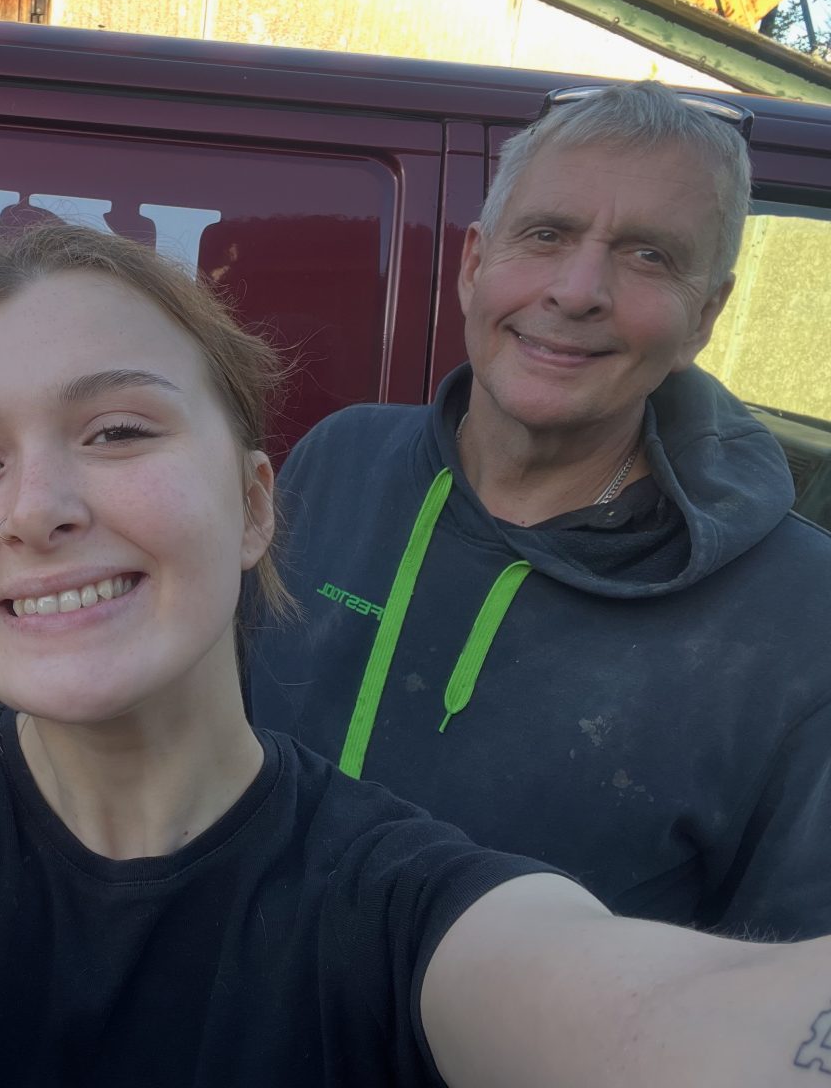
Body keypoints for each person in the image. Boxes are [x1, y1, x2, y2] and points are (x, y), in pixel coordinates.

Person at [0, 224, 831, 1088]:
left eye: (120, 431)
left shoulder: (397, 901)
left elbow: (641, 1013)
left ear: (256, 504)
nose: (37, 507)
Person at [248, 80, 831, 937]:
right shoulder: (341, 460)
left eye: (650, 256)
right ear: (475, 263)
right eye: (548, 234)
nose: (578, 289)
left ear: (705, 317)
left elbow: (783, 1004)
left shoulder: (800, 620)